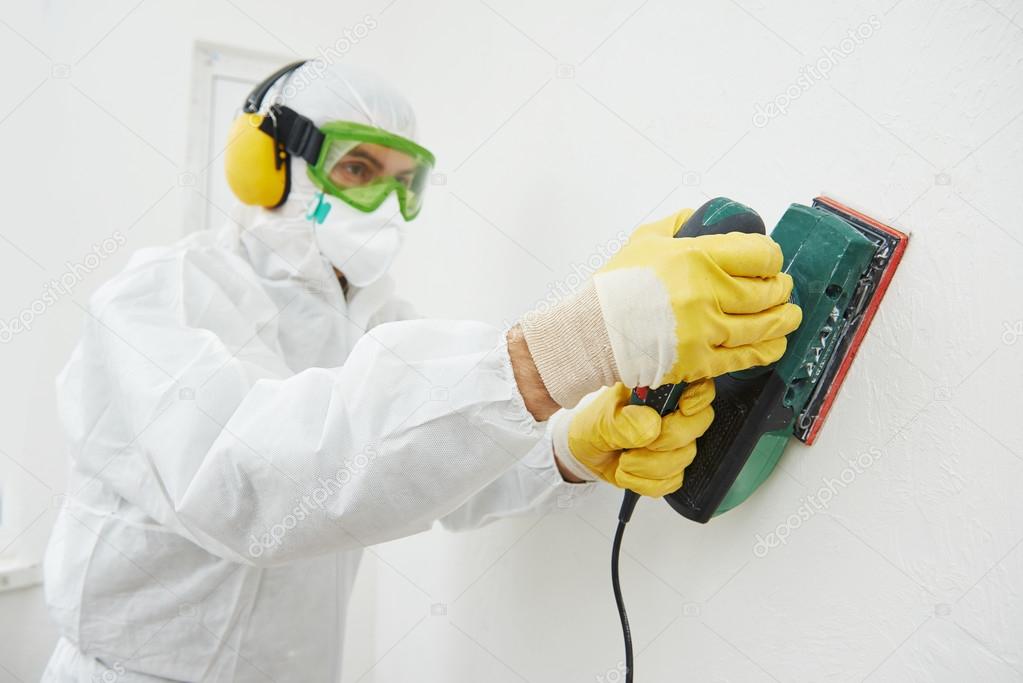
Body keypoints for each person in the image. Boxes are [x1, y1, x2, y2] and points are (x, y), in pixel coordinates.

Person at [41, 61, 801, 681]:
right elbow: (244, 483)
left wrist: (568, 448)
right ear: (264, 164)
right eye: (358, 166)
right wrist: (560, 352)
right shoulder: (156, 297)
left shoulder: (378, 321)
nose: (385, 198)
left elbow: (432, 465)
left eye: (404, 178)